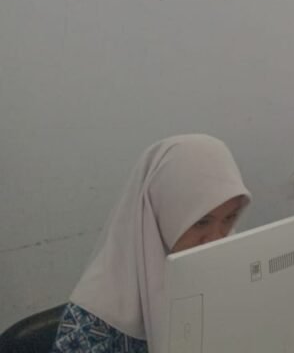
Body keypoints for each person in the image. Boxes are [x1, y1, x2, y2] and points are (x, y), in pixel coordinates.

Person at [51, 135, 251, 352]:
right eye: (201, 222)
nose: (216, 239)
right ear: (160, 214)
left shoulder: (229, 273)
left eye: (230, 218)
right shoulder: (92, 322)